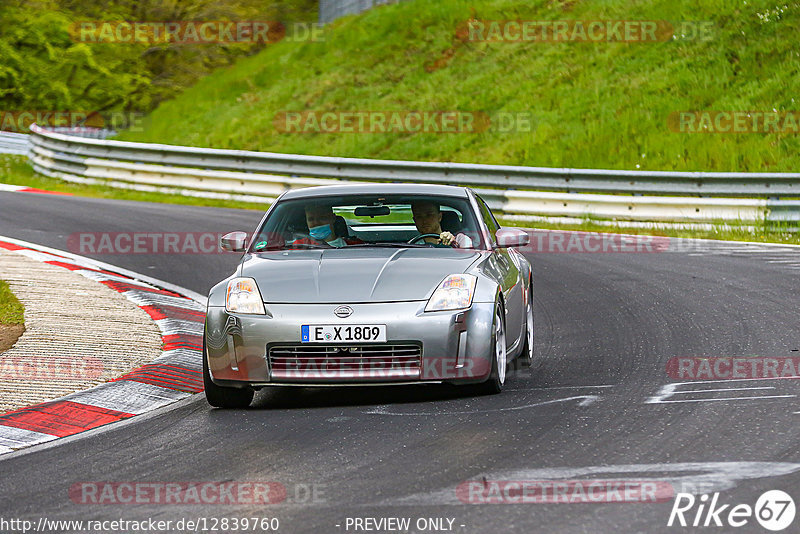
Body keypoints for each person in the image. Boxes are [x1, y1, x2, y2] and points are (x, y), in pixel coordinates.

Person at [292, 204, 363, 248]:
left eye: (322, 218)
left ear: (333, 218)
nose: (316, 223)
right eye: (311, 219)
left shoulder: (356, 244)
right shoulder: (300, 245)